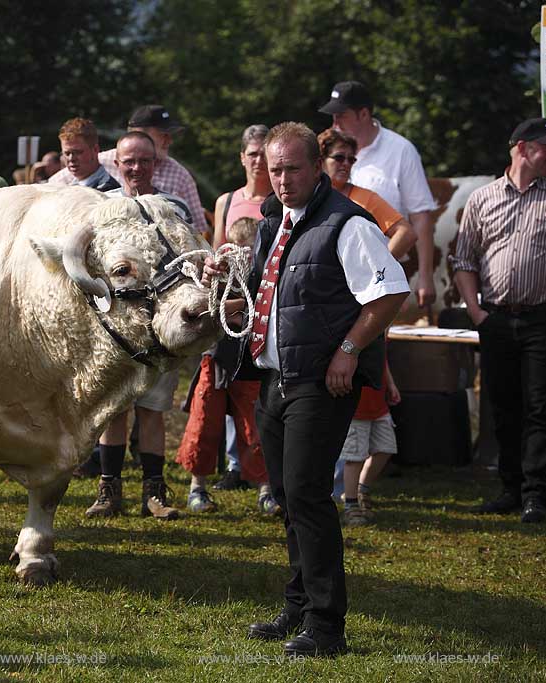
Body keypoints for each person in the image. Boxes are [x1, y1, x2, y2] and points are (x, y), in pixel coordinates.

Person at [204, 122, 408, 657]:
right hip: (276, 378)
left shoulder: (348, 223)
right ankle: (297, 608)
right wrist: (232, 304)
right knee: (290, 500)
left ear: (317, 167)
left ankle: (325, 626)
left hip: (319, 381)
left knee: (309, 499)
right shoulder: (277, 221)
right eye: (275, 170)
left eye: (294, 168)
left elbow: (389, 294)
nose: (284, 179)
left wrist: (349, 350)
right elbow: (275, 302)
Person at [454, 117, 546, 524]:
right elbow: (464, 260)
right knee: (501, 406)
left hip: (543, 317)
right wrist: (476, 311)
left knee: (539, 406)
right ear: (522, 148)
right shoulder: (483, 199)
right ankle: (510, 488)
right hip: (497, 317)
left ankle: (537, 495)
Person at [84, 131, 185, 521]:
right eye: (129, 161)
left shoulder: (171, 207)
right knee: (114, 410)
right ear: (117, 164)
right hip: (115, 328)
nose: (136, 168)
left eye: (144, 160)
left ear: (155, 163)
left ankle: (154, 493)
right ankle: (109, 491)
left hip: (159, 327)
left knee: (152, 410)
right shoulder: (101, 207)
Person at [318, 127, 416, 524]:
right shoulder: (317, 198)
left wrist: (379, 266)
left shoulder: (364, 198)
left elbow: (406, 232)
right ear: (321, 160)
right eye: (338, 158)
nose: (345, 165)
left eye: (350, 159)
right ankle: (331, 491)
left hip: (362, 311)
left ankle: (353, 494)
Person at [179, 125, 275, 509]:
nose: (257, 161)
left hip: (258, 316)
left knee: (256, 407)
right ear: (242, 157)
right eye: (251, 153)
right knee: (207, 405)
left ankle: (266, 484)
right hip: (224, 319)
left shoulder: (283, 201)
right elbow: (216, 254)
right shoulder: (227, 201)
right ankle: (197, 484)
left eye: (263, 154)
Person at [319, 81, 437, 309]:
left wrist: (425, 276)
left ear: (363, 114)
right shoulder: (327, 149)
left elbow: (420, 217)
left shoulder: (401, 150)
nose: (335, 123)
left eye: (341, 115)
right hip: (333, 280)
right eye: (340, 159)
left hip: (386, 281)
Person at [50, 105, 209, 234]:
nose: (169, 140)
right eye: (164, 134)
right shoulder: (102, 161)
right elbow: (58, 184)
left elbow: (200, 232)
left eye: (145, 161)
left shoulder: (180, 175)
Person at [56, 117, 120, 192]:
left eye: (78, 152)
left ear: (95, 149)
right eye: (67, 153)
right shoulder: (67, 189)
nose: (71, 158)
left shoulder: (110, 191)